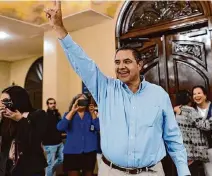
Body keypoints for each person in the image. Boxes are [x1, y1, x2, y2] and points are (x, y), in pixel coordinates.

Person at [44, 1, 190, 175]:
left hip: (151, 172)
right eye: (117, 62)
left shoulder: (158, 95)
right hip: (112, 171)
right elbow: (83, 63)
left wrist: (183, 171)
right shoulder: (105, 89)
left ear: (140, 65)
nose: (121, 66)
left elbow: (173, 137)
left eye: (127, 62)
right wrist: (60, 28)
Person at [174, 90, 212, 176]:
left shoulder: (178, 110)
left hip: (184, 152)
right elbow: (205, 125)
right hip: (193, 152)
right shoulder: (189, 110)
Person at [0, 86, 48, 176]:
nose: (2, 104)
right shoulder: (6, 118)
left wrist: (20, 120)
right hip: (9, 168)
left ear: (17, 100)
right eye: (1, 101)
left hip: (31, 168)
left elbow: (35, 139)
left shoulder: (38, 115)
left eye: (5, 101)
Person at [57, 94, 100, 176]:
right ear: (75, 103)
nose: (82, 103)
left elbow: (98, 127)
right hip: (72, 152)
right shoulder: (69, 115)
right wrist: (72, 111)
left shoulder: (90, 115)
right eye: (80, 101)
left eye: (84, 101)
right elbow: (60, 127)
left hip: (89, 151)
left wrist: (93, 113)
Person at [43, 98, 64, 176]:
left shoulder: (58, 114)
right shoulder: (45, 115)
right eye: (51, 103)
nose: (53, 105)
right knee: (50, 163)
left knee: (62, 159)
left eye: (54, 103)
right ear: (47, 105)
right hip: (49, 144)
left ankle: (50, 170)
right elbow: (42, 129)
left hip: (59, 142)